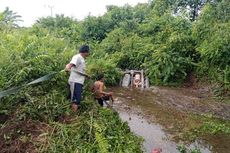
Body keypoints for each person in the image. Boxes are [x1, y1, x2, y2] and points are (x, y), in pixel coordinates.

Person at [65, 45, 90, 112]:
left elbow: (79, 71)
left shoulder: (82, 59)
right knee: (75, 100)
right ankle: (73, 116)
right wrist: (67, 68)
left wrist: (86, 75)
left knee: (76, 99)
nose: (89, 53)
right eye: (88, 52)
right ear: (85, 52)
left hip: (79, 82)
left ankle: (71, 114)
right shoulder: (77, 57)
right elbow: (70, 65)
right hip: (75, 81)